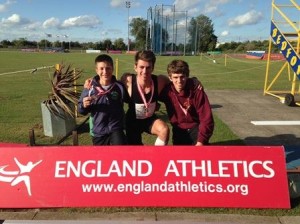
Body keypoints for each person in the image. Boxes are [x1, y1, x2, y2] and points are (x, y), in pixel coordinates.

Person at [159, 59, 214, 146]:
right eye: (175, 77)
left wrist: (201, 141)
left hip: (196, 129)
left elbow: (206, 118)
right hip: (178, 130)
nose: (179, 81)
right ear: (170, 78)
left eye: (182, 77)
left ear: (187, 76)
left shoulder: (196, 90)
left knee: (200, 157)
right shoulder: (167, 91)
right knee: (180, 157)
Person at [121, 50, 169, 145]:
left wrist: (193, 81)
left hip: (149, 119)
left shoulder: (160, 81)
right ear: (135, 67)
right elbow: (111, 84)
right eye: (141, 67)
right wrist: (92, 82)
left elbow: (176, 82)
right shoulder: (128, 80)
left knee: (164, 130)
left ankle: (156, 157)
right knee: (135, 152)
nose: (145, 71)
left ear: (153, 68)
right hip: (132, 122)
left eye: (148, 68)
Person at [78, 54, 128, 145]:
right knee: (102, 158)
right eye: (101, 68)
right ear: (96, 70)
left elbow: (131, 99)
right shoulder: (89, 87)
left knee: (119, 154)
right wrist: (84, 106)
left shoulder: (119, 87)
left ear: (112, 69)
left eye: (108, 68)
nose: (105, 72)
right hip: (98, 131)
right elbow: (81, 110)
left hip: (116, 129)